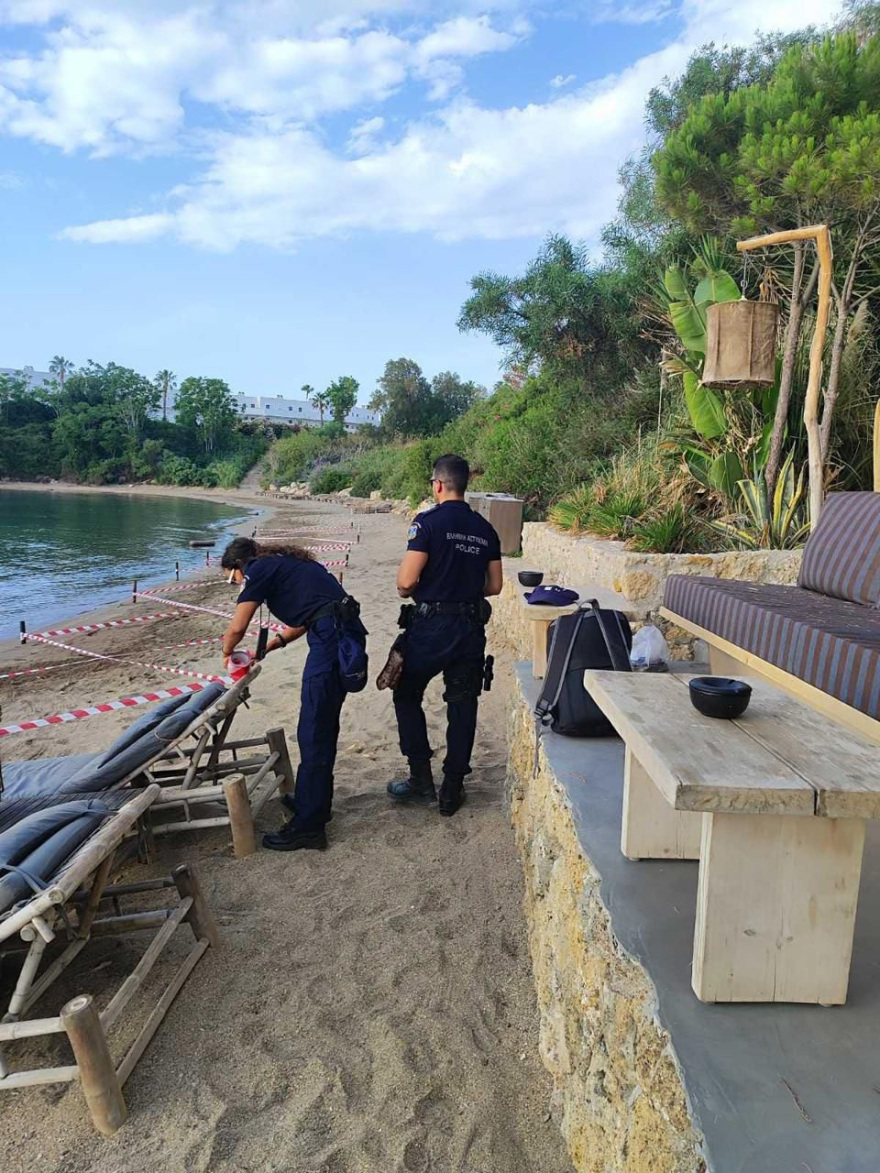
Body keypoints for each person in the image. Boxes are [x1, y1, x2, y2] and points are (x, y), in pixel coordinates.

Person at [220, 536, 366, 852]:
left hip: (332, 642)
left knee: (313, 730)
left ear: (238, 566)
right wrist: (275, 644)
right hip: (338, 632)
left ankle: (309, 827)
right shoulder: (290, 564)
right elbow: (312, 613)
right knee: (320, 726)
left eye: (233, 578)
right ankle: (312, 803)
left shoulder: (257, 570)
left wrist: (227, 652)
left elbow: (237, 627)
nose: (236, 584)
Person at [387, 454, 503, 817]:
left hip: (431, 627)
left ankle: (421, 778)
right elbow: (495, 586)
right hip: (470, 628)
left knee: (406, 693)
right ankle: (452, 789)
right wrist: (462, 589)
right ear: (464, 485)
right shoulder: (485, 529)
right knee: (463, 703)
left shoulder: (427, 523)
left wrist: (431, 588)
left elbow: (406, 583)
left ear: (438, 484)